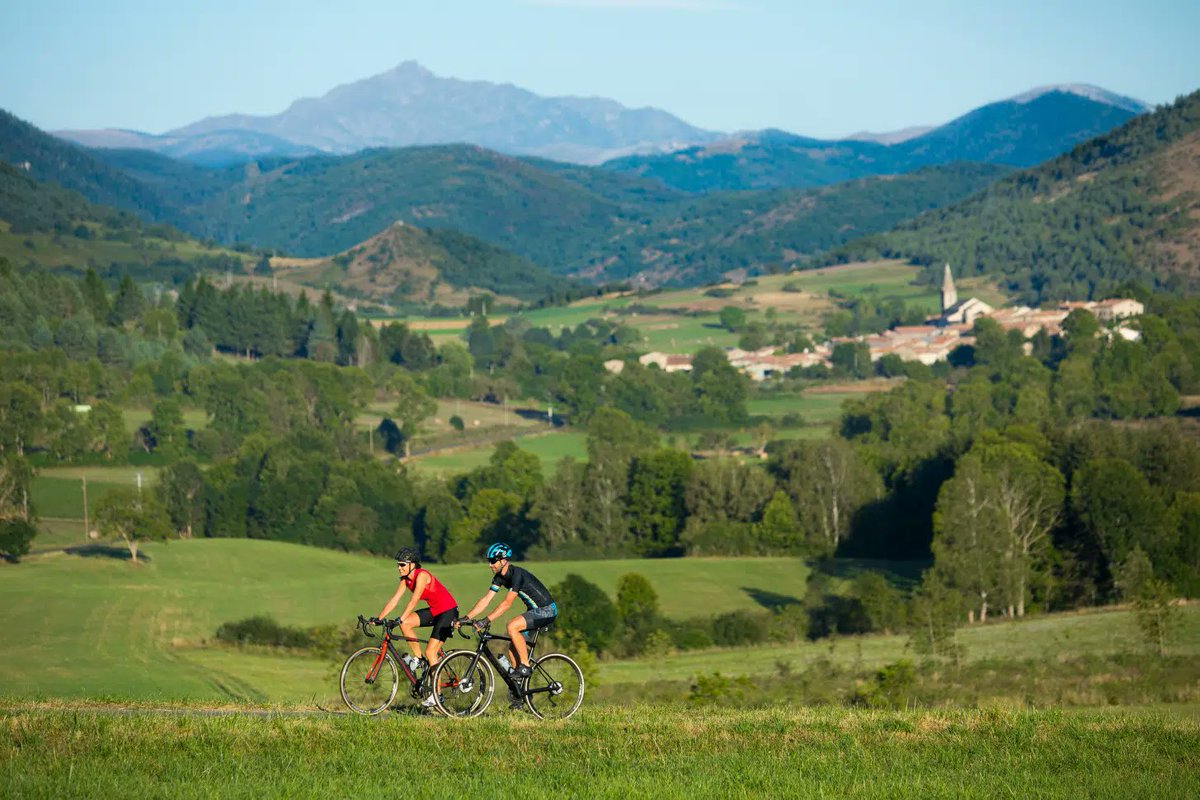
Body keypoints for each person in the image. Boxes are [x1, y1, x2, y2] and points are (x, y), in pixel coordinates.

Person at [373, 546, 459, 708]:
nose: (399, 568)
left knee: (431, 651)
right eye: (398, 565)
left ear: (412, 564)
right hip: (434, 611)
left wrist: (399, 618)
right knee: (406, 624)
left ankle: (437, 696)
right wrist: (378, 618)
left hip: (448, 612)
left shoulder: (422, 576)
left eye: (402, 565)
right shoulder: (405, 579)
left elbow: (413, 601)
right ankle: (419, 660)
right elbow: (395, 599)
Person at [459, 542, 557, 681]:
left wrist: (486, 620)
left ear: (503, 561)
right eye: (489, 561)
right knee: (512, 650)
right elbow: (486, 599)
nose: (490, 565)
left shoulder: (516, 574)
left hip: (547, 610)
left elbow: (507, 604)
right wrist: (466, 617)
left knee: (512, 626)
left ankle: (525, 666)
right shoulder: (499, 577)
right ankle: (519, 695)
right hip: (535, 611)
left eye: (493, 561)